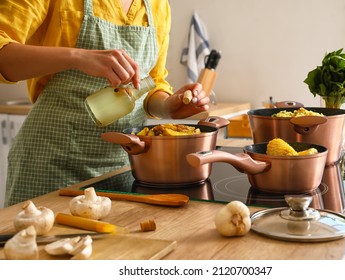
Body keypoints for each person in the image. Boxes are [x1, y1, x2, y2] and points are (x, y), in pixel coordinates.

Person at [0, 0, 210, 206]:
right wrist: (77, 56)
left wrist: (167, 106)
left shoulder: (158, 5)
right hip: (51, 163)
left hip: (123, 168)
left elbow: (149, 83)